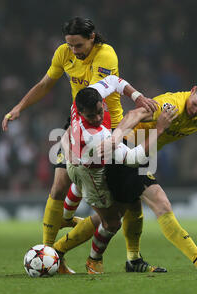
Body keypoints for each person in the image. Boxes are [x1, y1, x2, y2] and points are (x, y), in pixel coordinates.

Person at [53, 79, 197, 275]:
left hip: (139, 155)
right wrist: (116, 137)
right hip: (126, 152)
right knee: (158, 202)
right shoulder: (170, 105)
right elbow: (135, 113)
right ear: (192, 91)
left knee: (120, 212)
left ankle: (71, 251)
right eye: (194, 105)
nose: (195, 112)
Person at [2, 17, 159, 274]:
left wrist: (138, 99)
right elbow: (45, 84)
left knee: (123, 202)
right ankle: (51, 254)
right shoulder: (63, 53)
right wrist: (20, 106)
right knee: (59, 185)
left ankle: (124, 255)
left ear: (92, 37)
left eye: (78, 45)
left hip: (109, 127)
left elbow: (99, 93)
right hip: (81, 122)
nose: (73, 51)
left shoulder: (106, 55)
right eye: (70, 45)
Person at [61, 75, 176, 273]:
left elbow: (113, 80)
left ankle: (65, 216)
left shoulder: (85, 96)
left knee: (77, 182)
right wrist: (159, 129)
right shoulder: (96, 136)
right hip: (90, 174)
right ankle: (93, 260)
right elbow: (134, 159)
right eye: (91, 116)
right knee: (112, 221)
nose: (97, 118)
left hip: (74, 158)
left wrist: (137, 96)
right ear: (80, 112)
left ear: (100, 99)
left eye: (99, 111)